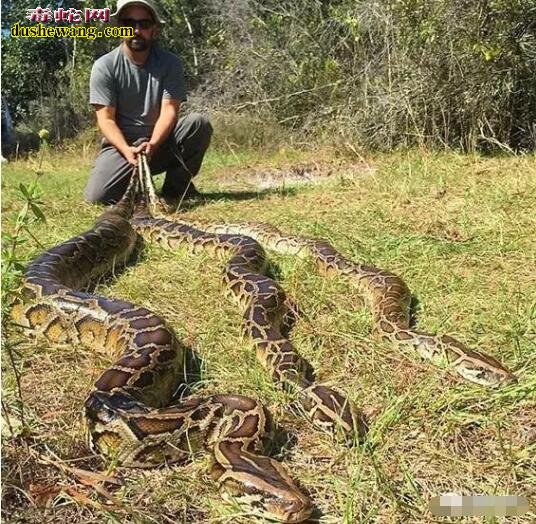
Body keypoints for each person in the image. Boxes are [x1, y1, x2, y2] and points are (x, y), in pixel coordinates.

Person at [84, 0, 212, 205]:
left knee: (198, 124)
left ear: (155, 29)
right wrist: (127, 150)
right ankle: (137, 184)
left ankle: (176, 189)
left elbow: (170, 110)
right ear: (119, 27)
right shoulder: (104, 66)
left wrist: (152, 144)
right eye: (129, 23)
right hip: (123, 146)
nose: (136, 30)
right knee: (97, 197)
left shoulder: (170, 63)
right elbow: (105, 119)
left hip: (160, 142)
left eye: (144, 24)